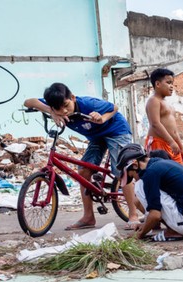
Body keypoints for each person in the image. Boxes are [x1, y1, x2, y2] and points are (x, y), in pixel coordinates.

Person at [23, 83, 134, 230]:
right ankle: (88, 217)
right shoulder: (55, 105)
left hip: (116, 131)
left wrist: (102, 118)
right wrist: (51, 111)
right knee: (82, 172)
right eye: (58, 108)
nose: (63, 111)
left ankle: (133, 215)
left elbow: (114, 108)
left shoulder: (88, 104)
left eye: (65, 105)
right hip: (96, 136)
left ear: (73, 98)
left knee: (122, 171)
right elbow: (28, 102)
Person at [115, 144, 183, 242]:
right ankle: (171, 227)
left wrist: (139, 235)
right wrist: (145, 225)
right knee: (140, 194)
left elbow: (155, 214)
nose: (134, 179)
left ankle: (174, 231)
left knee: (140, 187)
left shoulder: (150, 173)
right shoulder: (158, 163)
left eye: (132, 175)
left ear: (135, 165)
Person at [145, 68, 183, 164]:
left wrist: (181, 147)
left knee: (177, 172)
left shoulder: (168, 104)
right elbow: (155, 123)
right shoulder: (154, 100)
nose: (171, 86)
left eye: (172, 83)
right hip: (158, 143)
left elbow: (174, 131)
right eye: (168, 83)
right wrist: (171, 142)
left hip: (171, 144)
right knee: (162, 172)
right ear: (158, 84)